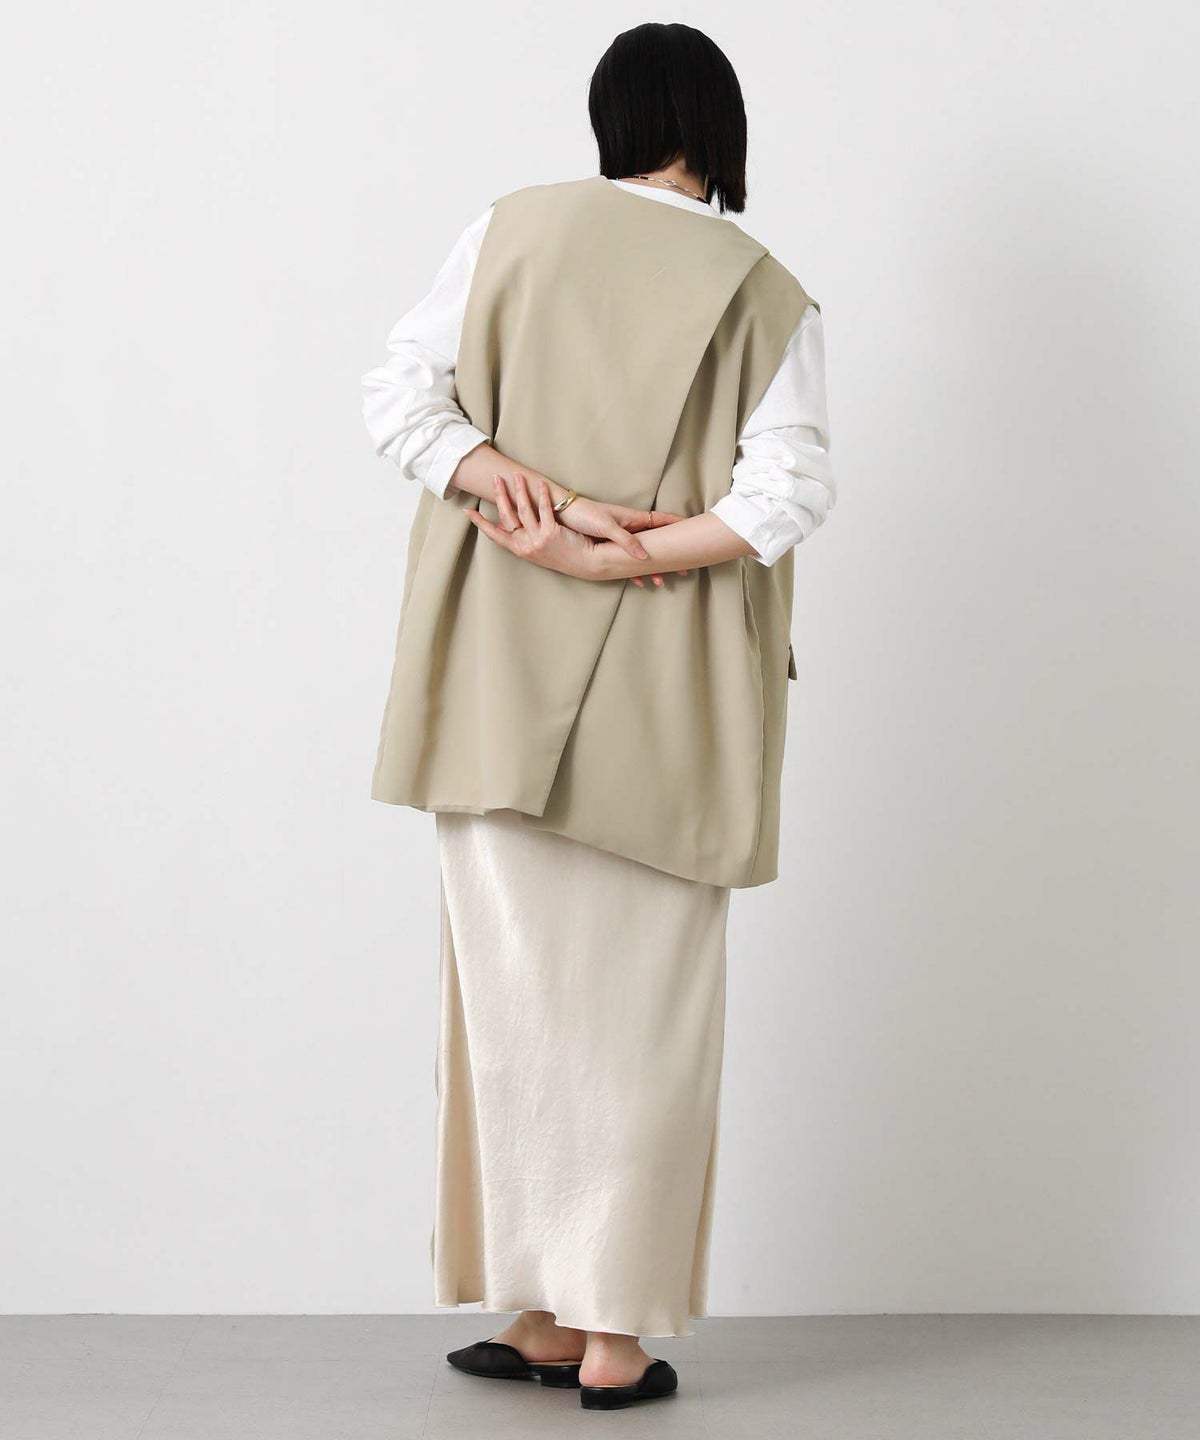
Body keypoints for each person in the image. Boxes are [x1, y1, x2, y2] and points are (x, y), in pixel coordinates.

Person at [359, 21, 836, 1413]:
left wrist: (508, 486)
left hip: (492, 674)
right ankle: (599, 1332)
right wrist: (621, 550)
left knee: (513, 1009)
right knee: (645, 1015)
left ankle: (548, 1309)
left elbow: (399, 401)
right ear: (719, 128)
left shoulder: (508, 231)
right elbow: (786, 494)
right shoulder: (766, 290)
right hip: (673, 694)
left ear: (611, 117)